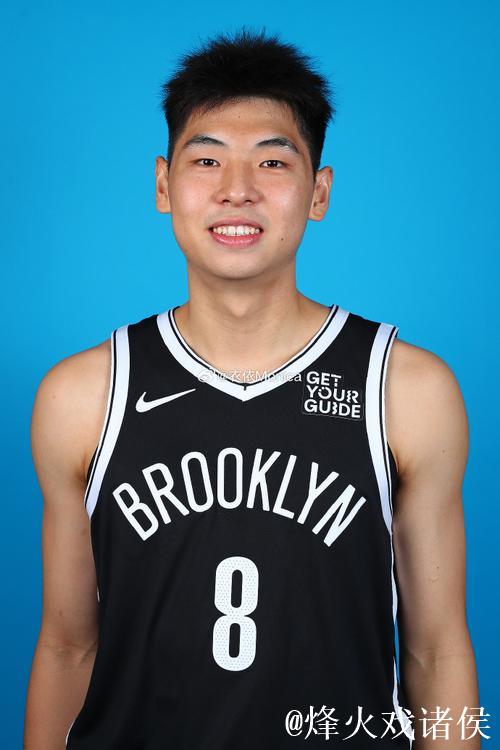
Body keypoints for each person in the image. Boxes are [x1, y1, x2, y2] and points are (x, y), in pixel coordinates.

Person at [24, 27, 481, 750]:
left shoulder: (407, 388)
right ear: (163, 185)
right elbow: (66, 647)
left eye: (273, 161)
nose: (237, 190)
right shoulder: (82, 395)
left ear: (319, 192)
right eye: (206, 159)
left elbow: (438, 650)